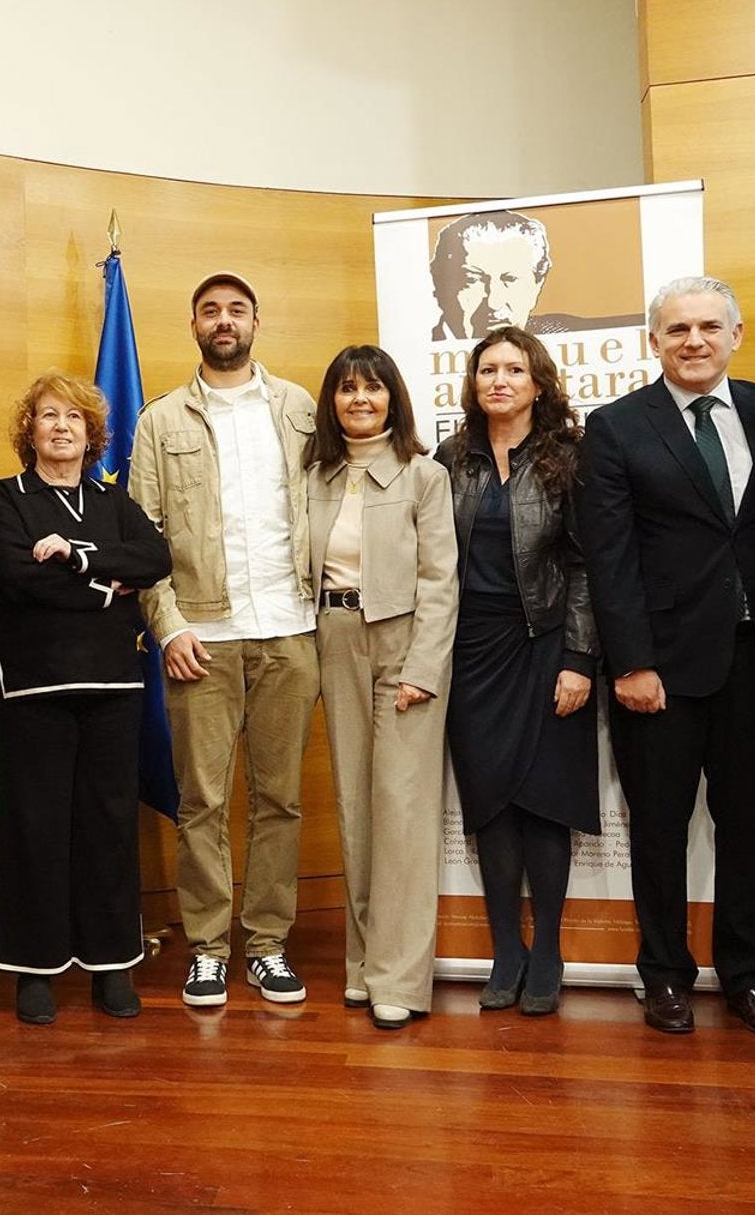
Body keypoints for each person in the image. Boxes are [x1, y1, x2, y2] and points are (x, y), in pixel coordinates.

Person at [578, 276, 755, 1039]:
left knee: (751, 831)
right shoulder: (616, 426)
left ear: (737, 335)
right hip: (662, 669)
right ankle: (665, 975)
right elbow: (608, 557)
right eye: (677, 330)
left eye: (709, 327)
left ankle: (750, 977)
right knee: (659, 830)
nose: (694, 341)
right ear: (654, 342)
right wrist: (631, 663)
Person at [129, 272, 319, 1009]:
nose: (224, 320)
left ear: (256, 322)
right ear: (195, 326)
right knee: (202, 802)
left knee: (281, 801)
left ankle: (267, 945)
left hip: (290, 631)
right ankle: (208, 950)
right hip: (200, 639)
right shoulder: (161, 420)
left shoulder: (299, 408)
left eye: (237, 309)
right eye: (210, 310)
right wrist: (168, 625)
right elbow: (143, 536)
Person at [0, 372, 172, 1024]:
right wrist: (103, 589)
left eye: (74, 417)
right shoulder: (8, 496)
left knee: (109, 825)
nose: (61, 426)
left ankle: (111, 963)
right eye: (48, 415)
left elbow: (154, 559)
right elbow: (19, 575)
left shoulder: (112, 499)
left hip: (113, 686)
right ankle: (34, 969)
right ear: (29, 430)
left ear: (92, 435)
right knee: (36, 826)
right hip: (33, 688)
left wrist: (78, 557)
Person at [434, 326, 597, 1018]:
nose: (499, 381)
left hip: (547, 644)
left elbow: (586, 565)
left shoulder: (570, 459)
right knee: (491, 804)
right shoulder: (450, 459)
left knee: (544, 800)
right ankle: (507, 949)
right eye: (487, 370)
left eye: (514, 370)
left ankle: (548, 951)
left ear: (538, 382)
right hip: (471, 651)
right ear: (473, 383)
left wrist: (579, 659)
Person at [305, 345, 457, 1029]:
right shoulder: (315, 475)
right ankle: (362, 967)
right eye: (346, 388)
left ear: (393, 397)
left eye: (372, 387)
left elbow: (440, 582)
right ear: (332, 402)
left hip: (402, 646)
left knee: (401, 810)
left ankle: (400, 978)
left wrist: (423, 668)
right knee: (353, 806)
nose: (360, 399)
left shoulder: (425, 476)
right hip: (333, 639)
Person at [428, 210, 641, 341]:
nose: (494, 302)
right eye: (473, 280)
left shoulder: (565, 336)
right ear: (439, 285)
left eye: (509, 279)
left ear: (538, 284)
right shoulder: (417, 354)